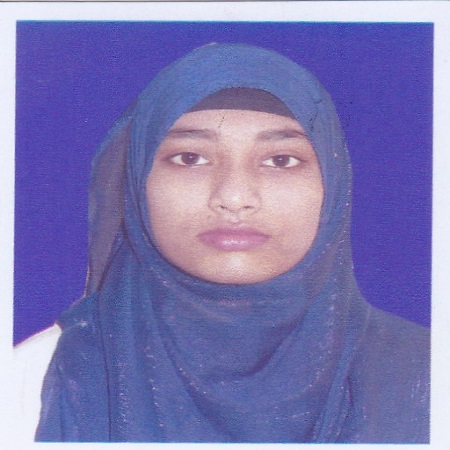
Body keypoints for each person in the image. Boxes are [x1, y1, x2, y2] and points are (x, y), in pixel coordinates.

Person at [17, 43, 429, 442]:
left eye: (280, 160)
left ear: (333, 187)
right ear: (137, 181)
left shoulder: (428, 374)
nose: (233, 197)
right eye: (190, 158)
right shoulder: (33, 379)